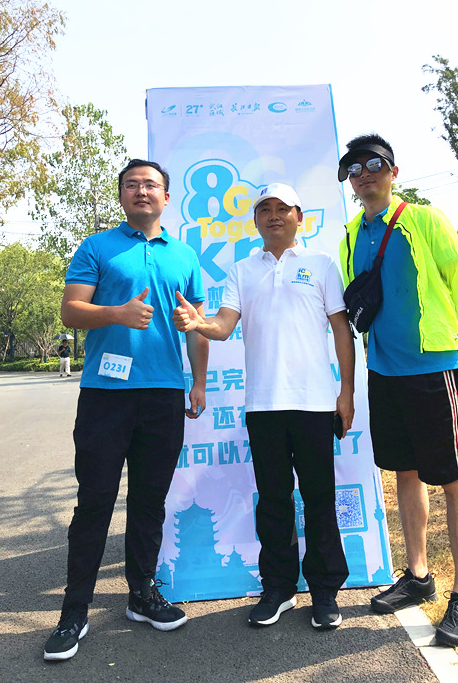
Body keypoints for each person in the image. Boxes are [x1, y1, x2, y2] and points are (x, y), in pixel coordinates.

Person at [43, 159, 209, 662]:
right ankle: (74, 611)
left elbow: (197, 325)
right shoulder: (97, 247)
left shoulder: (185, 255)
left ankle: (142, 594)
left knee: (149, 501)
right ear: (121, 196)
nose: (141, 191)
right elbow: (71, 310)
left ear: (166, 197)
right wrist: (116, 313)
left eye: (150, 184)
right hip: (105, 395)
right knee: (94, 501)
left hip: (164, 394)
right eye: (132, 184)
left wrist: (199, 382)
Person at [172, 183, 355, 630]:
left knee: (319, 498)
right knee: (273, 500)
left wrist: (346, 392)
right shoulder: (242, 270)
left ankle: (325, 591)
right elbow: (223, 325)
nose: (274, 216)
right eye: (264, 210)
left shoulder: (321, 264)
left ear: (299, 217)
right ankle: (278, 588)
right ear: (255, 220)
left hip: (314, 404)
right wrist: (198, 322)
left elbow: (341, 330)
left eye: (282, 209)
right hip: (264, 406)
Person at [338, 134, 458, 648]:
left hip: (432, 366)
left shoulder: (424, 220)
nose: (364, 174)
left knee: (455, 478)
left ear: (393, 171)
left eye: (374, 164)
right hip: (383, 370)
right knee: (405, 471)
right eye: (355, 169)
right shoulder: (351, 235)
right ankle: (418, 574)